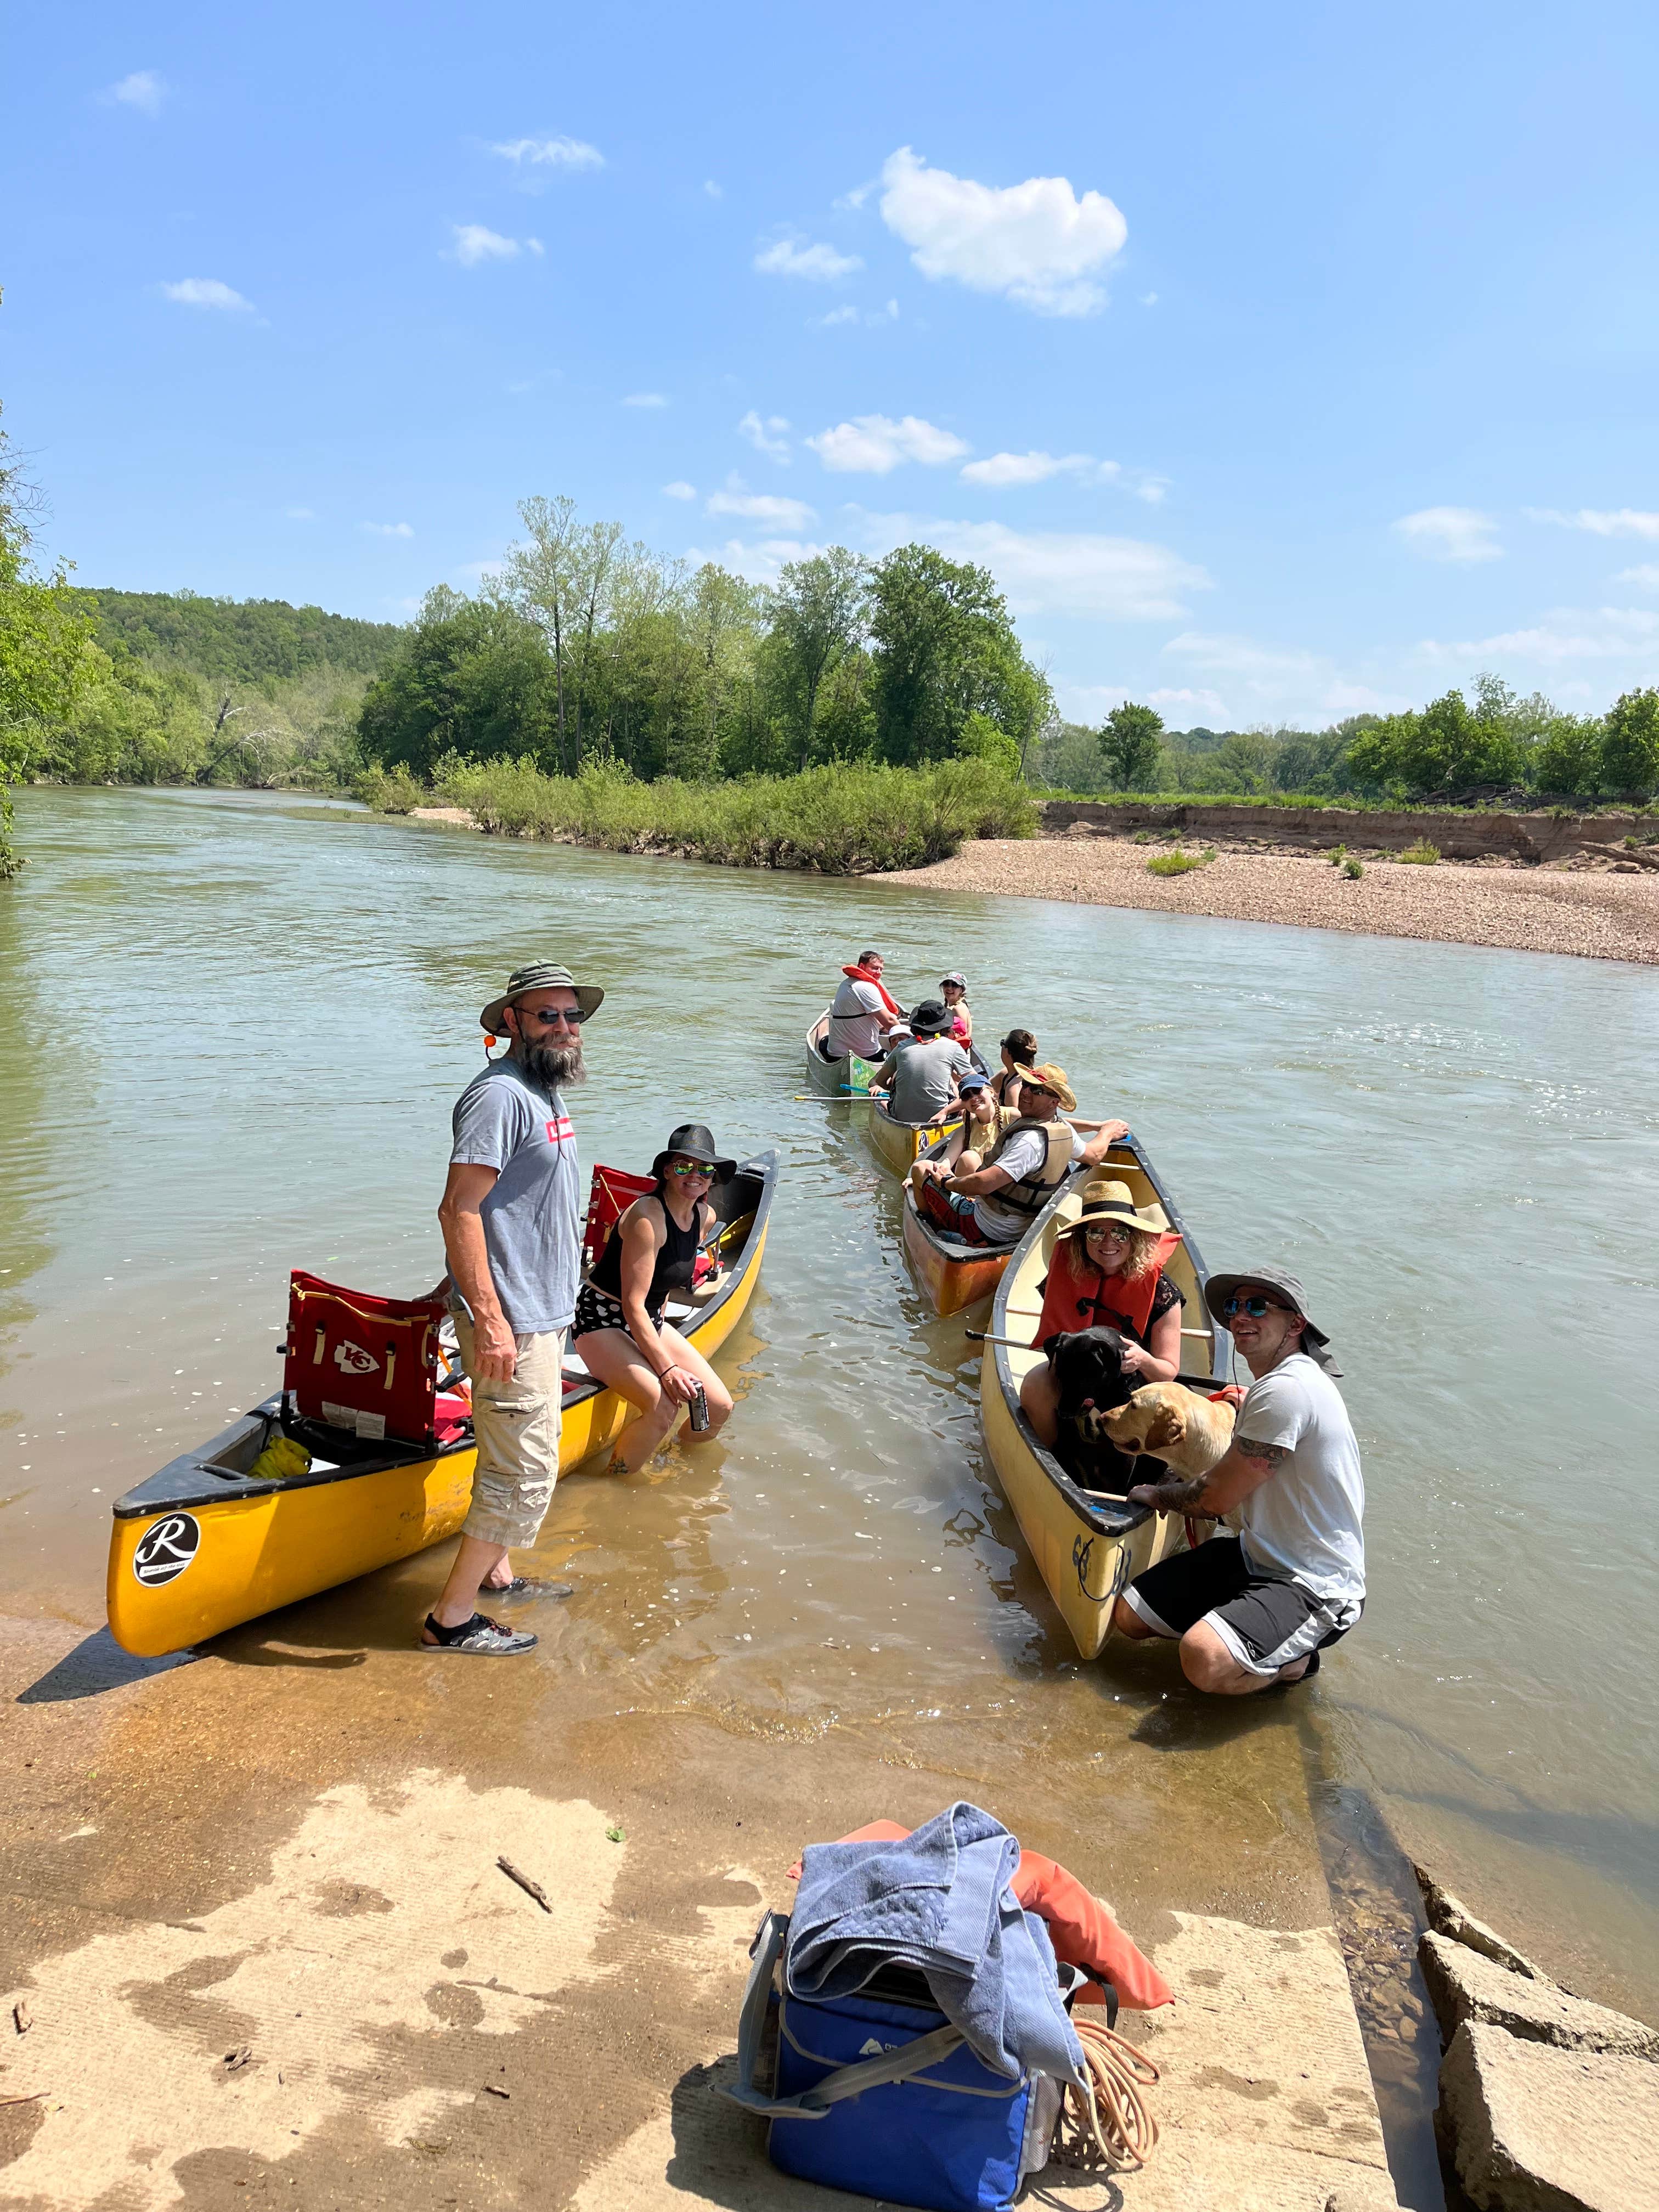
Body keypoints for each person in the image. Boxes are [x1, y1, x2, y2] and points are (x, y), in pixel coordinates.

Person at [426, 961, 601, 1657]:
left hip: (541, 1308)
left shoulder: (544, 1088)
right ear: (511, 1023)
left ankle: (494, 1575)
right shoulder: (501, 1096)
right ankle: (450, 1621)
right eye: (547, 1016)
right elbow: (459, 1208)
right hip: (514, 1320)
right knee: (526, 1472)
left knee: (505, 1454)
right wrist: (490, 1319)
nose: (564, 1028)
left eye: (572, 1016)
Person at [1112, 1268, 1364, 1695]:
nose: (1240, 1317)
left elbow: (1213, 1499)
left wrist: (1157, 1493)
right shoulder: (1274, 1387)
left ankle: (1294, 1664)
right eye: (1233, 1307)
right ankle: (1248, 1634)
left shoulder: (1286, 1391)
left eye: (1258, 1307)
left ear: (1296, 1324)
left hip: (1313, 1581)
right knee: (1131, 1617)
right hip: (1256, 1554)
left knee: (1202, 1658)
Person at [571, 1124, 737, 1472]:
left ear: (713, 1178)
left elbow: (661, 1287)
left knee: (719, 1407)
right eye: (683, 1166)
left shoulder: (705, 1217)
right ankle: (614, 1486)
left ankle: (674, 1462)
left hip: (649, 1320)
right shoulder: (647, 1217)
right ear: (666, 1171)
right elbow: (632, 1304)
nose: (694, 1175)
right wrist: (667, 1369)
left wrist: (658, 1347)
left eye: (704, 1169)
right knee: (665, 1406)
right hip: (601, 1319)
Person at [1018, 1178, 1182, 1444]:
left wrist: (1142, 1359)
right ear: (1082, 1239)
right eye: (1096, 1233)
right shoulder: (1064, 1276)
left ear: (1135, 1237)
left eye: (1119, 1233)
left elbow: (1168, 1371)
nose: (1108, 1243)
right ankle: (1051, 1455)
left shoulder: (1162, 1291)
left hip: (1133, 1383)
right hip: (1078, 1379)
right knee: (1036, 1383)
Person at [914, 1063, 1129, 1246]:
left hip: (987, 1229)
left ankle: (934, 1227)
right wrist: (1107, 1131)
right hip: (1021, 1227)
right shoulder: (1061, 1128)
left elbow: (983, 1185)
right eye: (1026, 1085)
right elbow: (1093, 1155)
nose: (1025, 1093)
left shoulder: (1029, 1142)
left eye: (1037, 1091)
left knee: (920, 1169)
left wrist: (947, 1182)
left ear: (1054, 1102)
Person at [868, 999, 972, 1126]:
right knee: (963, 1102)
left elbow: (878, 1082)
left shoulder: (901, 1047)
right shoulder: (952, 1046)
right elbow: (975, 1083)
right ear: (943, 1027)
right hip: (941, 1116)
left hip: (902, 1117)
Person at [909, 1071, 1011, 1195]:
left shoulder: (1012, 1116)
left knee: (968, 1158)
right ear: (964, 1104)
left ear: (990, 1091)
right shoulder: (966, 1129)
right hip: (972, 1192)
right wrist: (915, 1177)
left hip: (1002, 1191)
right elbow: (946, 1161)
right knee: (922, 1166)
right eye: (967, 1096)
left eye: (977, 1090)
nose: (973, 1098)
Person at [824, 949, 905, 1063]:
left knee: (824, 1042)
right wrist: (912, 1041)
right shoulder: (866, 987)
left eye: (881, 969)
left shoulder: (845, 984)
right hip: (867, 1056)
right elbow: (890, 1021)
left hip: (835, 1055)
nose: (879, 972)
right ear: (862, 966)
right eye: (874, 968)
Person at [989, 1029, 1038, 1111]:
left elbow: (1013, 1121)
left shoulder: (1014, 1088)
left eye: (1003, 1044)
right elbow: (984, 1087)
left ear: (1009, 1052)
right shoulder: (1005, 1074)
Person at [939, 973, 974, 1049]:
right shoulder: (954, 1006)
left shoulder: (958, 1009)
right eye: (946, 984)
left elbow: (960, 1036)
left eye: (954, 985)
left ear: (962, 990)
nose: (949, 988)